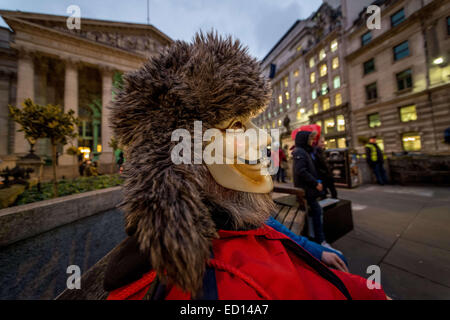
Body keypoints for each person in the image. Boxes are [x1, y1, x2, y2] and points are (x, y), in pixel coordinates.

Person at [58, 32, 387, 300]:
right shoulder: (224, 285)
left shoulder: (230, 217)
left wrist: (314, 250)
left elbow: (269, 230)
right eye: (237, 125)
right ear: (186, 158)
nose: (261, 140)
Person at [292, 130, 339, 253]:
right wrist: (315, 183)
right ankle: (320, 240)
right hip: (307, 190)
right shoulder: (300, 152)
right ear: (304, 140)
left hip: (309, 190)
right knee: (317, 211)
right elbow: (300, 170)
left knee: (316, 212)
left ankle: (317, 238)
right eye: (310, 139)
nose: (312, 141)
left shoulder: (304, 151)